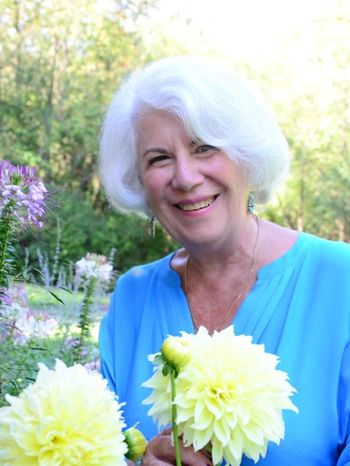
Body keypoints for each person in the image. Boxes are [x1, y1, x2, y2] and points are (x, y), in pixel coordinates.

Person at [98, 56, 350, 465]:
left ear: (246, 155)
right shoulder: (132, 295)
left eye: (204, 147)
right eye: (159, 158)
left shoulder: (341, 280)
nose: (184, 176)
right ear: (140, 180)